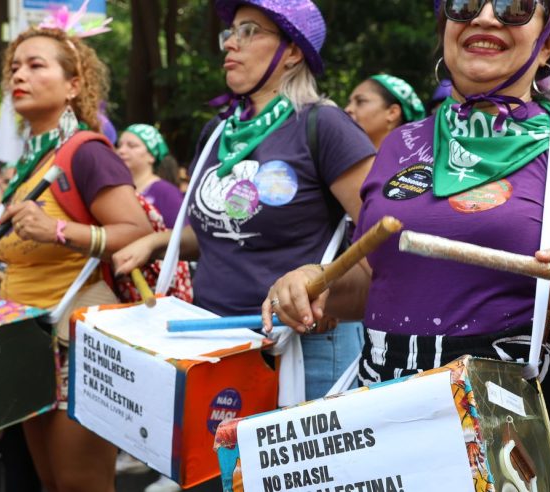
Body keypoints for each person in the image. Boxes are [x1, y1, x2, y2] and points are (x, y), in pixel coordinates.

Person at [263, 1, 550, 491]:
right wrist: (314, 282)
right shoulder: (400, 144)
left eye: (516, 6)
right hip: (391, 413)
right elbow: (376, 283)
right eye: (464, 4)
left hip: (522, 427)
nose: (486, 17)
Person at [114, 3, 374, 489]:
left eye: (249, 31)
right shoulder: (218, 133)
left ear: (293, 50)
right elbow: (218, 235)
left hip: (303, 351)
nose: (229, 43)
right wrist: (156, 241)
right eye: (230, 32)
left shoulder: (324, 126)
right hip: (218, 352)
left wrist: (329, 287)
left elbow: (381, 237)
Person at [0, 24, 153, 492]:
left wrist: (58, 229)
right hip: (27, 341)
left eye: (35, 65)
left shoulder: (86, 151)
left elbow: (136, 232)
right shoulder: (30, 162)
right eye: (14, 67)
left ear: (74, 85)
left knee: (81, 485)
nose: (18, 76)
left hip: (75, 342)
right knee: (51, 483)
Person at [116, 125, 184, 227]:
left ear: (151, 156)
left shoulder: (167, 192)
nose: (121, 151)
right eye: (119, 145)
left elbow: (181, 235)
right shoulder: (118, 189)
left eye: (132, 145)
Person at [345, 74, 426, 149]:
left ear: (392, 113)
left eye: (360, 101)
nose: (347, 109)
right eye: (349, 102)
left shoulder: (410, 164)